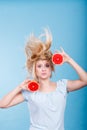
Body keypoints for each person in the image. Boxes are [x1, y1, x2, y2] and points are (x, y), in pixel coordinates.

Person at [0, 28, 87, 130]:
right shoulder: (30, 92)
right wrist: (19, 87)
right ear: (35, 70)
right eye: (39, 66)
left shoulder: (62, 86)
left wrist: (69, 60)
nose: (43, 69)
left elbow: (85, 80)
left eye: (46, 65)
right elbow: (2, 104)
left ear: (51, 68)